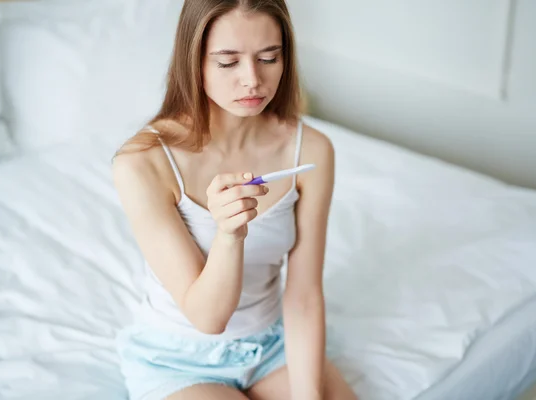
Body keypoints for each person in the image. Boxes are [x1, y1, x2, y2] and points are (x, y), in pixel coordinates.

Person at [112, 1, 357, 399]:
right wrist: (229, 235)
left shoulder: (311, 150)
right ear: (194, 61)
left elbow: (304, 294)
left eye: (268, 57)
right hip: (180, 359)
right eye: (228, 62)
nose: (253, 80)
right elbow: (208, 317)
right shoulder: (142, 163)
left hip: (273, 346)